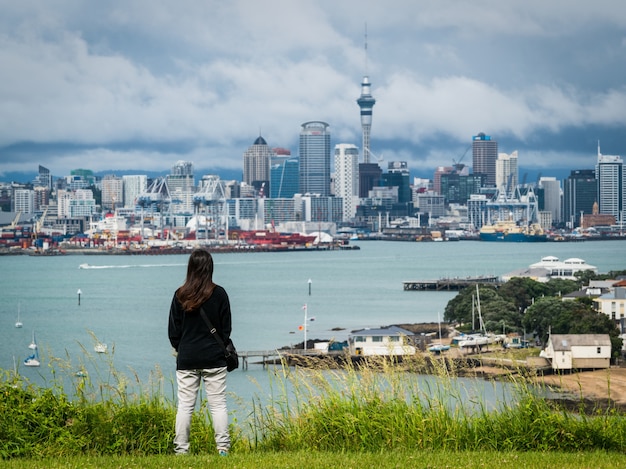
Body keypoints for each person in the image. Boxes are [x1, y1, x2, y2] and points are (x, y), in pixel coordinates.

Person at [168, 247, 232, 456]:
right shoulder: (219, 293)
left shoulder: (179, 294)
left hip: (187, 358)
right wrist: (216, 346)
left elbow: (173, 332)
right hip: (214, 358)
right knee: (218, 405)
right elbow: (226, 328)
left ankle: (181, 450)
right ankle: (223, 448)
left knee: (185, 406)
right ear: (210, 268)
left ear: (190, 268)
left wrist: (183, 348)